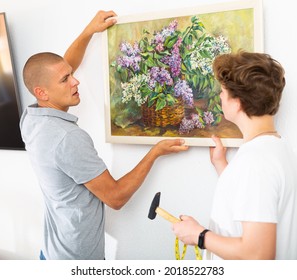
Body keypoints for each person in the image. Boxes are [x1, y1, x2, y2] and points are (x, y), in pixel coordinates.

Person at [20, 10, 189, 260]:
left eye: (71, 74)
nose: (75, 81)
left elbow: (62, 65)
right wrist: (155, 152)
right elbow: (116, 197)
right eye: (66, 79)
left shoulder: (31, 119)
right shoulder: (67, 138)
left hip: (52, 253)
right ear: (42, 92)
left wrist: (89, 30)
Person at [172, 51, 297, 259]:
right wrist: (222, 166)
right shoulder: (276, 149)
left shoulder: (256, 162)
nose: (220, 96)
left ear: (238, 102)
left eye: (223, 91)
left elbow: (258, 254)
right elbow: (253, 200)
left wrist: (198, 235)